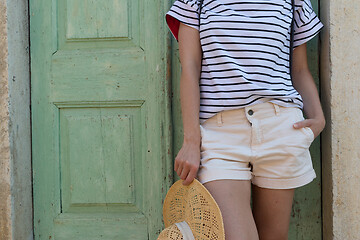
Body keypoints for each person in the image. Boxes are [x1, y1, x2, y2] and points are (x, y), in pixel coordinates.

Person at [165, 0, 325, 239]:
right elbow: (189, 67)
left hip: (280, 126)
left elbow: (299, 69)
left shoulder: (294, 1)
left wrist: (318, 118)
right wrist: (191, 140)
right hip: (221, 135)